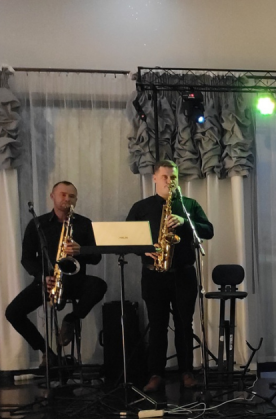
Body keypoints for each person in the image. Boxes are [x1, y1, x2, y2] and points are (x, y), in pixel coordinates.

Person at [126, 160, 214, 392]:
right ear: (155, 178)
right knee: (157, 326)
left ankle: (186, 372)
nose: (169, 181)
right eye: (165, 176)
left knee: (185, 325)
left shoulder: (188, 205)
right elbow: (127, 237)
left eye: (173, 177)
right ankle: (156, 374)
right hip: (154, 274)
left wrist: (185, 221)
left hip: (183, 274)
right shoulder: (141, 207)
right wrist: (144, 249)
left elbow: (208, 230)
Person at [6, 181, 107, 365]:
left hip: (75, 281)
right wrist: (42, 277)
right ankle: (47, 352)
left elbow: (96, 257)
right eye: (63, 194)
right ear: (52, 196)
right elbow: (27, 258)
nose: (67, 199)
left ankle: (71, 320)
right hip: (48, 281)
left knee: (99, 285)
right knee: (13, 313)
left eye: (72, 196)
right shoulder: (38, 224)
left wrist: (81, 250)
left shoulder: (84, 224)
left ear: (76, 200)